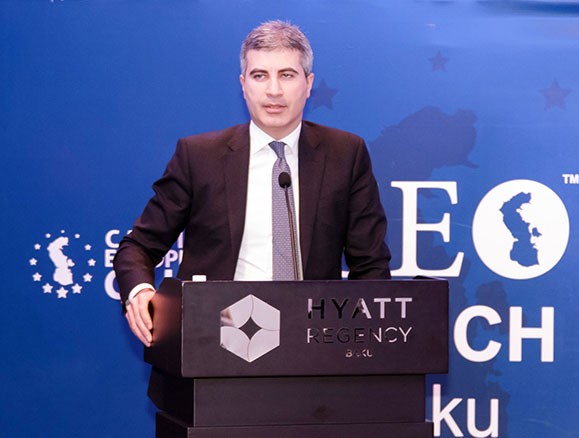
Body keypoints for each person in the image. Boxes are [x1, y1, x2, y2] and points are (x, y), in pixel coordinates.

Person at [113, 20, 391, 348]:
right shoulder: (199, 156)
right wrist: (139, 291)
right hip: (212, 340)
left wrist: (358, 347)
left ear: (308, 84)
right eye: (260, 76)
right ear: (243, 84)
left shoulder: (345, 154)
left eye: (287, 75)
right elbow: (138, 247)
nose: (273, 90)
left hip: (310, 344)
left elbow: (371, 265)